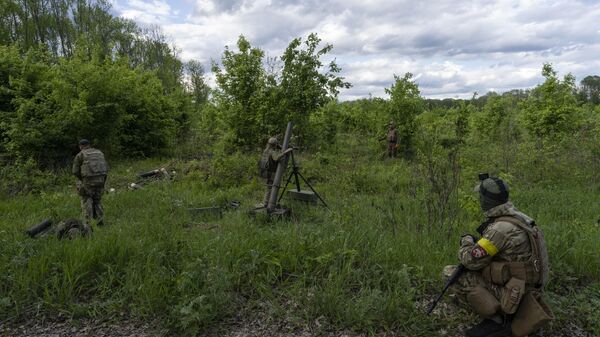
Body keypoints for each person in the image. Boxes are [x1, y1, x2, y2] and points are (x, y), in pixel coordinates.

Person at [442, 174, 552, 337]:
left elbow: (471, 261)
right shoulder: (523, 219)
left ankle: (497, 319)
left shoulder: (499, 229)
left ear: (485, 200)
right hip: (531, 290)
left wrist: (466, 242)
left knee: (450, 273)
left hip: (515, 295)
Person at [72, 139, 108, 227]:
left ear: (80, 146)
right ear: (89, 145)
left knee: (86, 200)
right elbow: (106, 168)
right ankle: (101, 222)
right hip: (100, 181)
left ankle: (87, 224)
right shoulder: (99, 153)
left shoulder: (80, 155)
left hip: (88, 182)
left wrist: (82, 179)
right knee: (97, 201)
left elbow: (75, 171)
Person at [257, 137, 293, 208]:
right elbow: (276, 157)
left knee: (270, 187)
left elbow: (277, 148)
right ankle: (266, 203)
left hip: (266, 171)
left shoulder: (267, 149)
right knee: (270, 187)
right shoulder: (271, 151)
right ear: (274, 145)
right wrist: (286, 152)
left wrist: (283, 147)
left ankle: (269, 202)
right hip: (270, 172)